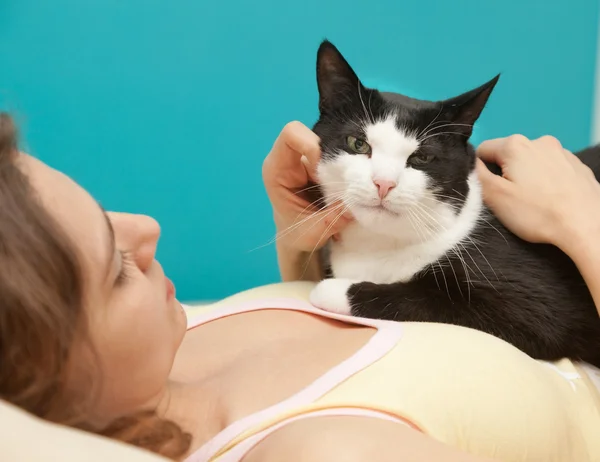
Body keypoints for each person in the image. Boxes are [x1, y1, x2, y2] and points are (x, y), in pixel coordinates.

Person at [0, 112, 599, 462]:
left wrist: (307, 238)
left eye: (106, 214)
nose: (149, 229)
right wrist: (583, 221)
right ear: (55, 371)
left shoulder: (167, 339)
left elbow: (365, 337)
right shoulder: (326, 451)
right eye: (116, 269)